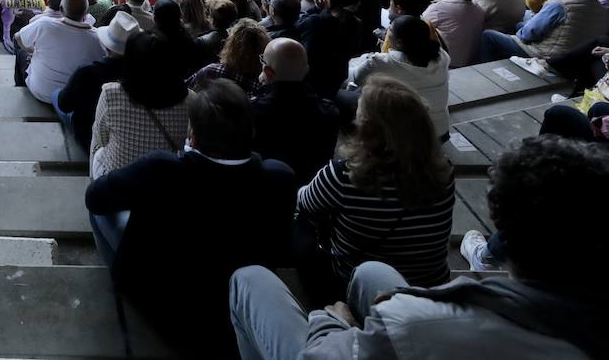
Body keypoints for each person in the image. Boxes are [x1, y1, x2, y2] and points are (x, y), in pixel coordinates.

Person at [230, 135, 606, 360]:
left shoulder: (415, 322)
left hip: (383, 339)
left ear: (498, 218)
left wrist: (333, 323)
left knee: (250, 279)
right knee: (371, 271)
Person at [85, 80, 295, 355]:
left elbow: (95, 198)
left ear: (193, 134)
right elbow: (279, 248)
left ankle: (120, 279)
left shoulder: (162, 168)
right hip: (235, 305)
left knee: (103, 204)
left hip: (159, 297)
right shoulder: (279, 178)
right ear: (250, 131)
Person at [293, 76, 456, 298]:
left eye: (359, 115)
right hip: (430, 288)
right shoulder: (444, 171)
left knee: (300, 222)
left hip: (365, 290)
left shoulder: (344, 174)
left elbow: (304, 202)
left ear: (368, 129)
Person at [88, 30, 191, 178]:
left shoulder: (111, 93)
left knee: (97, 142)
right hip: (162, 179)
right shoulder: (188, 99)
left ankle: (94, 187)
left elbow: (102, 140)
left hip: (118, 181)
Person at [345, 14, 451, 139]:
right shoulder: (441, 56)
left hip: (407, 141)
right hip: (440, 132)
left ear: (399, 43)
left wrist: (364, 59)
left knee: (344, 97)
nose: (387, 38)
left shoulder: (381, 62)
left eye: (389, 36)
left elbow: (353, 77)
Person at [250, 38, 340, 185]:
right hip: (314, 190)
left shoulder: (252, 111)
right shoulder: (330, 112)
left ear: (268, 71)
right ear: (306, 69)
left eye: (263, 61)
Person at [481, 0, 609, 67]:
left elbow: (527, 34)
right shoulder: (603, 11)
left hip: (547, 57)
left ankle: (487, 70)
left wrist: (517, 37)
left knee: (489, 35)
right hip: (575, 58)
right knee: (518, 25)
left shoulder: (560, 5)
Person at [14, 0, 104, 103]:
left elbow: (18, 37)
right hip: (76, 98)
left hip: (42, 92)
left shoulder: (45, 24)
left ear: (61, 9)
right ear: (87, 11)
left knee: (22, 53)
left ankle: (19, 90)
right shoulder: (98, 37)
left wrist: (32, 50)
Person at [420, 0, 484, 68]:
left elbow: (420, 26)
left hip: (446, 61)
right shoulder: (479, 8)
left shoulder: (439, 8)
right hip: (471, 59)